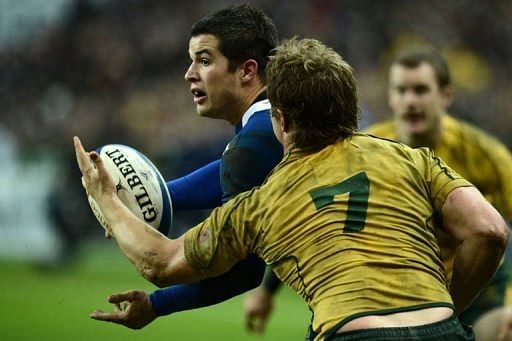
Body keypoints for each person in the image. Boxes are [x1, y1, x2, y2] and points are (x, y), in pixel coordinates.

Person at [75, 37, 509, 340]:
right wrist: (447, 308)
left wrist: (107, 198)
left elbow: (160, 260)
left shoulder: (264, 202)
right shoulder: (408, 157)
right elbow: (490, 231)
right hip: (442, 331)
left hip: (351, 332)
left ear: (280, 120)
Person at [244, 44, 512, 337]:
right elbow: (312, 215)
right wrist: (267, 292)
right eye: (401, 90)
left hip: (476, 283)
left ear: (445, 95)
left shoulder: (485, 155)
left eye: (420, 90)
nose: (410, 101)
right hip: (400, 289)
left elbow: (493, 231)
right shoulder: (363, 149)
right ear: (390, 97)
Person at [77, 4, 283, 329]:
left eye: (204, 60)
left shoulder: (258, 141)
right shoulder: (268, 129)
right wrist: (128, 198)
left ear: (247, 71)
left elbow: (166, 266)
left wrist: (112, 206)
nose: (189, 74)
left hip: (357, 318)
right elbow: (216, 180)